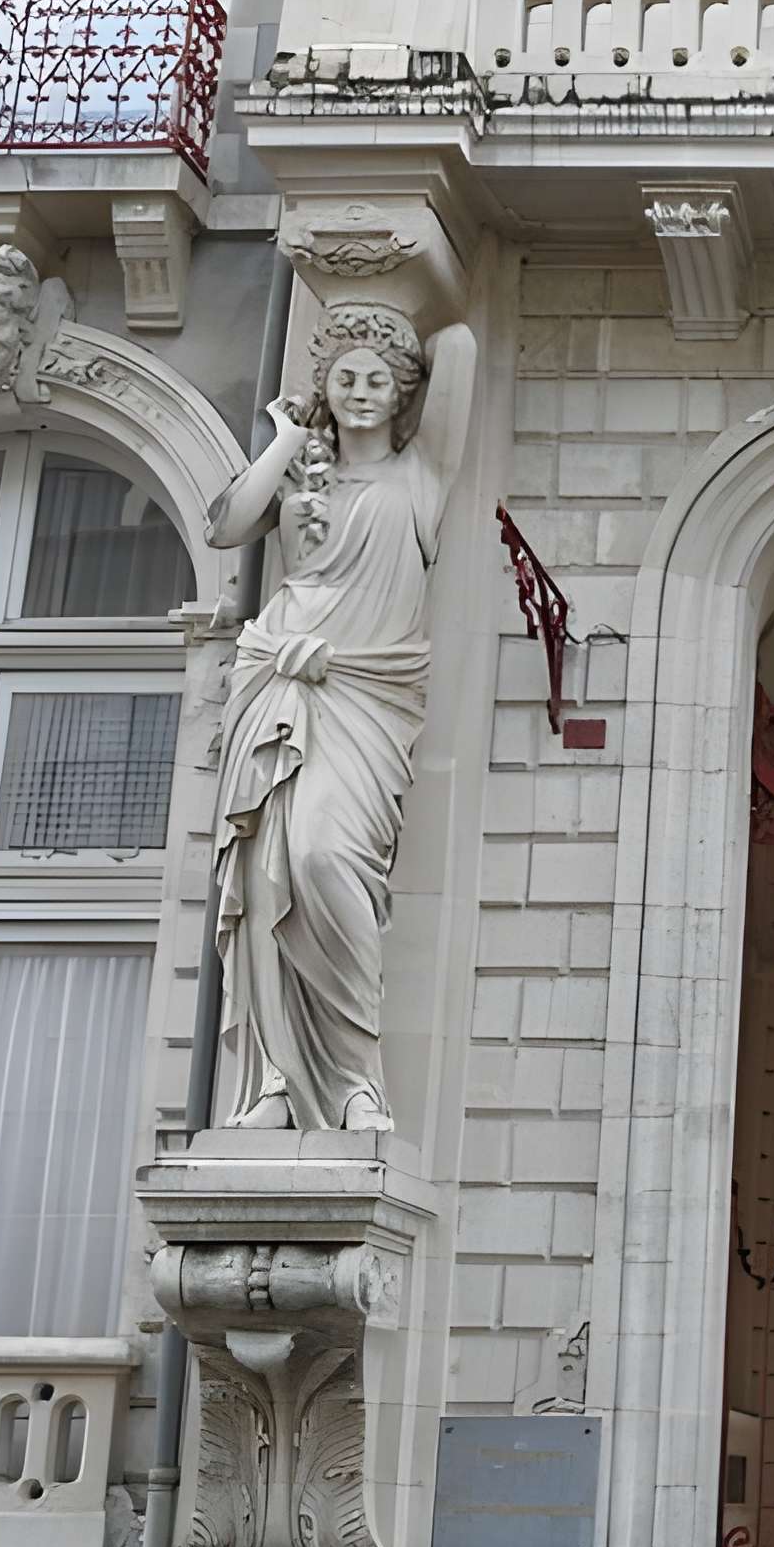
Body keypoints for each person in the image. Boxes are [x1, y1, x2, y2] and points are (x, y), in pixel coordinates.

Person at [206, 302, 477, 1134]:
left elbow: (459, 346)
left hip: (369, 694)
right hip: (280, 680)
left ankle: (357, 1076)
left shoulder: (422, 476)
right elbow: (225, 526)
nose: (362, 393)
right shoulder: (300, 480)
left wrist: (394, 298)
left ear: (404, 395)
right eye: (346, 378)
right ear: (324, 387)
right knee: (265, 874)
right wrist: (288, 434)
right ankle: (278, 1084)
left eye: (379, 381)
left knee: (326, 858)